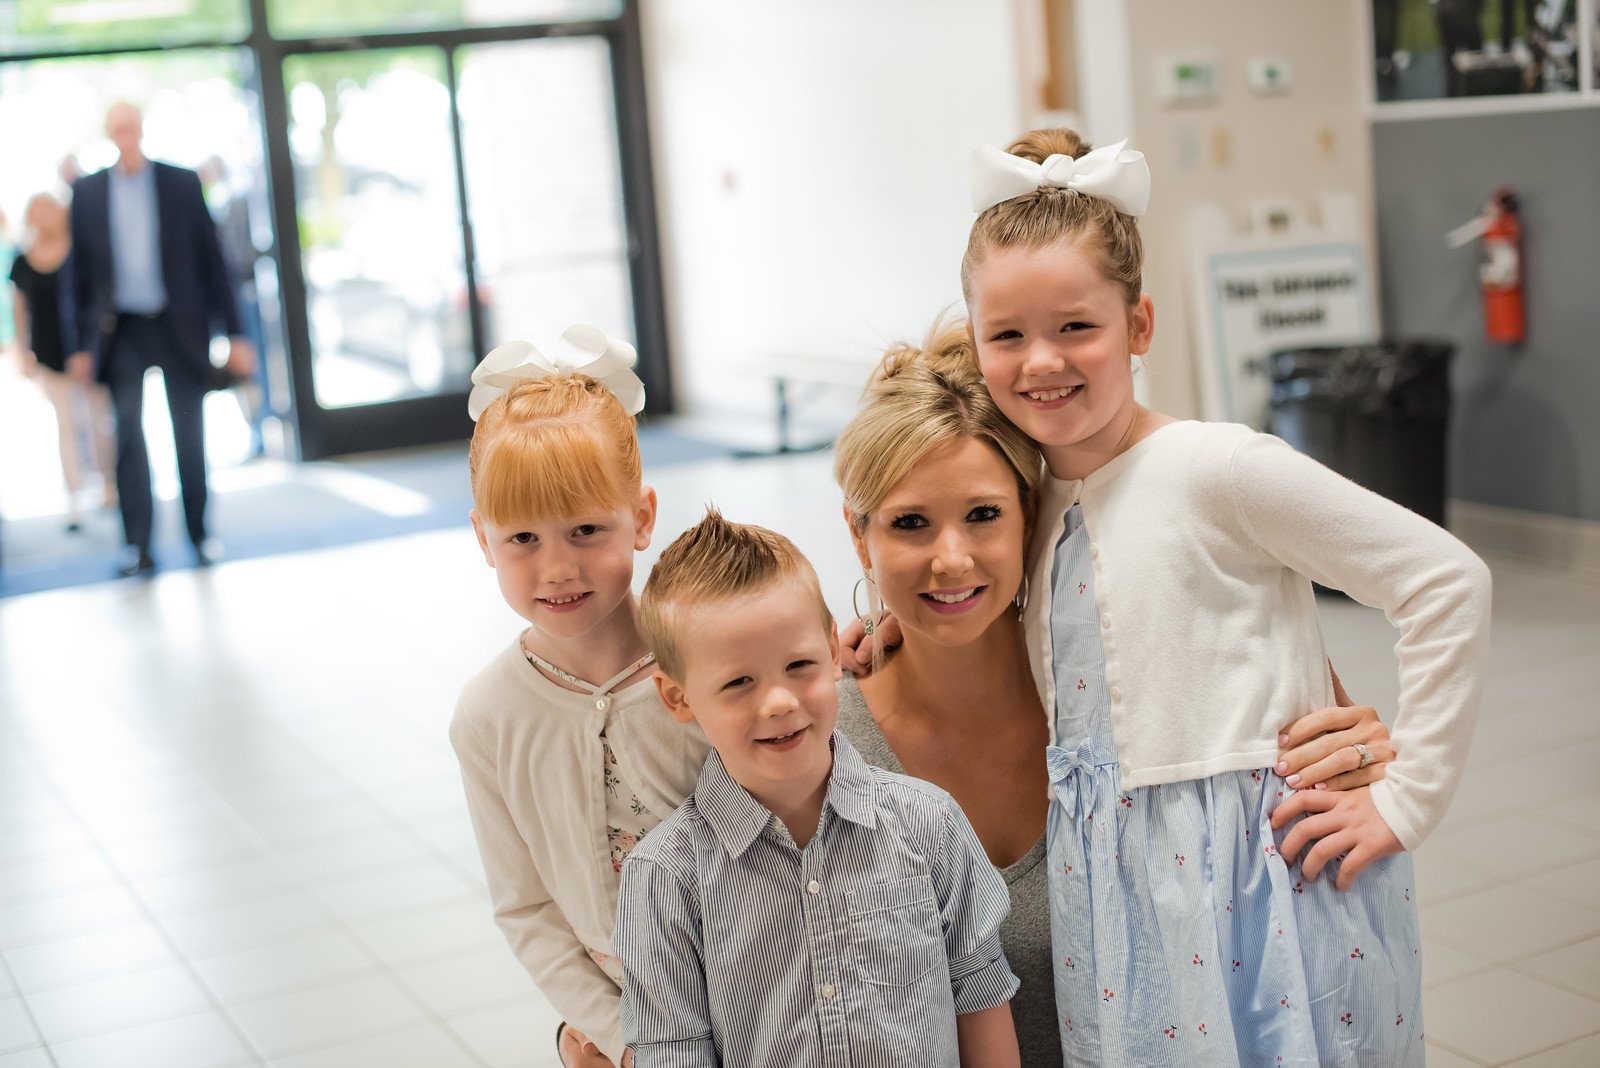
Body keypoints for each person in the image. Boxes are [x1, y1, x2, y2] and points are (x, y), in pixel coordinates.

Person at [961, 128, 1489, 1065]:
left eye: (1076, 327)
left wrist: (1410, 799)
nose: (1041, 361)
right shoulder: (1029, 503)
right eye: (1008, 335)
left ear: (1140, 325)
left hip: (1268, 878)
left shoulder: (1218, 467)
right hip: (1118, 892)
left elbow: (1445, 580)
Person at [832, 325, 1398, 1067]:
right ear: (859, 535)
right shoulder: (825, 747)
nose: (952, 559)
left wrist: (1356, 760)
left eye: (983, 514)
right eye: (910, 523)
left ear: (1030, 515)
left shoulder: (1130, 677)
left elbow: (1322, 733)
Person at [620, 509, 1021, 1067]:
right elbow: (673, 1052)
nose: (779, 702)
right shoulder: (664, 878)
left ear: (833, 651)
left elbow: (979, 996)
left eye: (798, 665)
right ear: (677, 697)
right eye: (739, 682)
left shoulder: (930, 824)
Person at [448, 327, 708, 1068]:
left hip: (764, 985)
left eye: (586, 529)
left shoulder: (705, 659)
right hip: (617, 1021)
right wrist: (621, 1042)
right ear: (483, 538)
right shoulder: (488, 716)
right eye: (523, 539)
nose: (557, 567)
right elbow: (525, 906)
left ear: (642, 517)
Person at [68, 101, 254, 577]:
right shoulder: (87, 193)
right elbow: (78, 277)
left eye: (131, 127)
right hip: (121, 331)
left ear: (142, 129)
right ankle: (138, 546)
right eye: (117, 129)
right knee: (128, 435)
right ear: (108, 133)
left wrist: (235, 332)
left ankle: (199, 535)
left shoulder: (181, 183)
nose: (126, 136)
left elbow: (213, 261)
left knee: (189, 433)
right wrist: (79, 347)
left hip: (178, 326)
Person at [10, 193, 117, 531]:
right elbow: (19, 307)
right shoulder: (23, 260)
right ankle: (74, 496)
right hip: (48, 351)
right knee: (66, 426)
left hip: (85, 350)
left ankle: (109, 484)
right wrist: (23, 350)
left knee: (98, 421)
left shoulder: (79, 251)